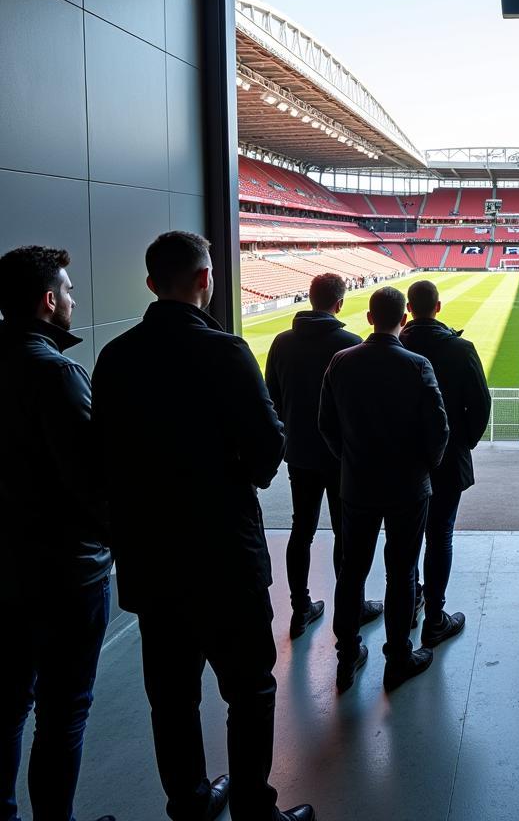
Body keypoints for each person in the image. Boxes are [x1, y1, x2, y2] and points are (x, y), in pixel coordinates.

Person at [92, 232, 313, 821]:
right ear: (205, 279)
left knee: (170, 696)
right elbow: (269, 454)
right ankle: (252, 809)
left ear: (149, 283)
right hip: (223, 555)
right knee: (249, 689)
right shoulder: (225, 351)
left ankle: (189, 802)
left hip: (149, 556)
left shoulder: (114, 357)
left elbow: (105, 458)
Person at [0, 247, 115, 821]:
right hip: (64, 571)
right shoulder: (56, 372)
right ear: (49, 301)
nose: (73, 299)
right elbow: (90, 483)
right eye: (68, 291)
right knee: (64, 711)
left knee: (6, 707)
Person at [319, 286, 448, 694]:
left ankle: (347, 657)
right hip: (408, 487)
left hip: (356, 486)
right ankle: (398, 658)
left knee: (351, 573)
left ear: (370, 318)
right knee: (402, 573)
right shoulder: (417, 365)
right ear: (403, 319)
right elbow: (438, 430)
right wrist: (426, 466)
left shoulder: (341, 362)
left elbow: (326, 424)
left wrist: (350, 461)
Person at [264, 273, 383, 639]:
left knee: (302, 530)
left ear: (310, 297)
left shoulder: (281, 343)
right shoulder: (350, 343)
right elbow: (363, 406)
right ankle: (353, 605)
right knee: (346, 535)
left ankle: (300, 608)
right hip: (340, 456)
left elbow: (273, 399)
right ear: (340, 303)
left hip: (299, 453)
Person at [400, 280, 491, 646]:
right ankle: (435, 617)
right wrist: (460, 443)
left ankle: (408, 604)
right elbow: (481, 405)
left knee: (405, 539)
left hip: (398, 461)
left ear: (409, 308)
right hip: (448, 462)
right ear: (438, 307)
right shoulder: (461, 348)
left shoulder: (394, 345)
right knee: (440, 536)